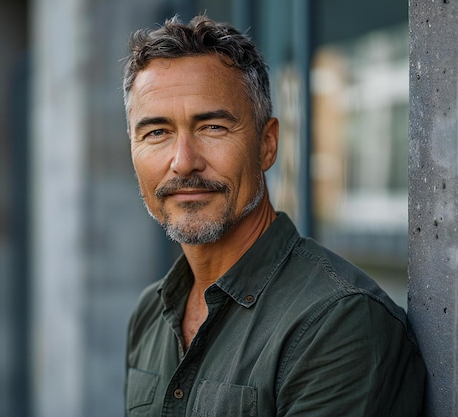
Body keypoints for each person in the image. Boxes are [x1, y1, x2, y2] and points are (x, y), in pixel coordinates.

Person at [122, 14, 425, 417]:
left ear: (267, 144)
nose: (183, 162)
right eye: (156, 132)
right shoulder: (150, 312)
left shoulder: (339, 321)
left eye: (212, 127)